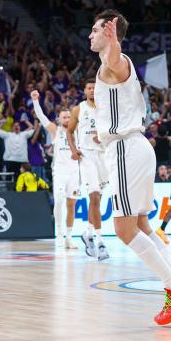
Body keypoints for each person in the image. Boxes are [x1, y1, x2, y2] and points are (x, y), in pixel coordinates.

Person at [89, 9, 171, 326]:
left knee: (123, 230)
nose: (90, 35)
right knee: (143, 226)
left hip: (125, 150)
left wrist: (112, 43)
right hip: (133, 146)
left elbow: (115, 61)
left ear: (110, 32)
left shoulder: (115, 63)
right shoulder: (110, 70)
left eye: (96, 30)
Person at [66, 79, 110, 260]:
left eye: (95, 88)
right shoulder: (78, 109)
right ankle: (100, 243)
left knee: (98, 199)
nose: (92, 90)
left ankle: (87, 233)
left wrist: (104, 138)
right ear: (85, 91)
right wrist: (74, 150)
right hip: (86, 156)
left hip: (104, 156)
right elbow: (69, 131)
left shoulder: (106, 108)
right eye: (89, 88)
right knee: (93, 197)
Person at [31, 90, 80, 250]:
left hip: (75, 172)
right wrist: (36, 101)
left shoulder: (79, 131)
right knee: (59, 200)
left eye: (69, 116)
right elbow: (41, 117)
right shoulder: (56, 130)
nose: (67, 119)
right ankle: (58, 232)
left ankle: (69, 237)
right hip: (59, 172)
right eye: (64, 117)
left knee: (71, 205)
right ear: (59, 119)